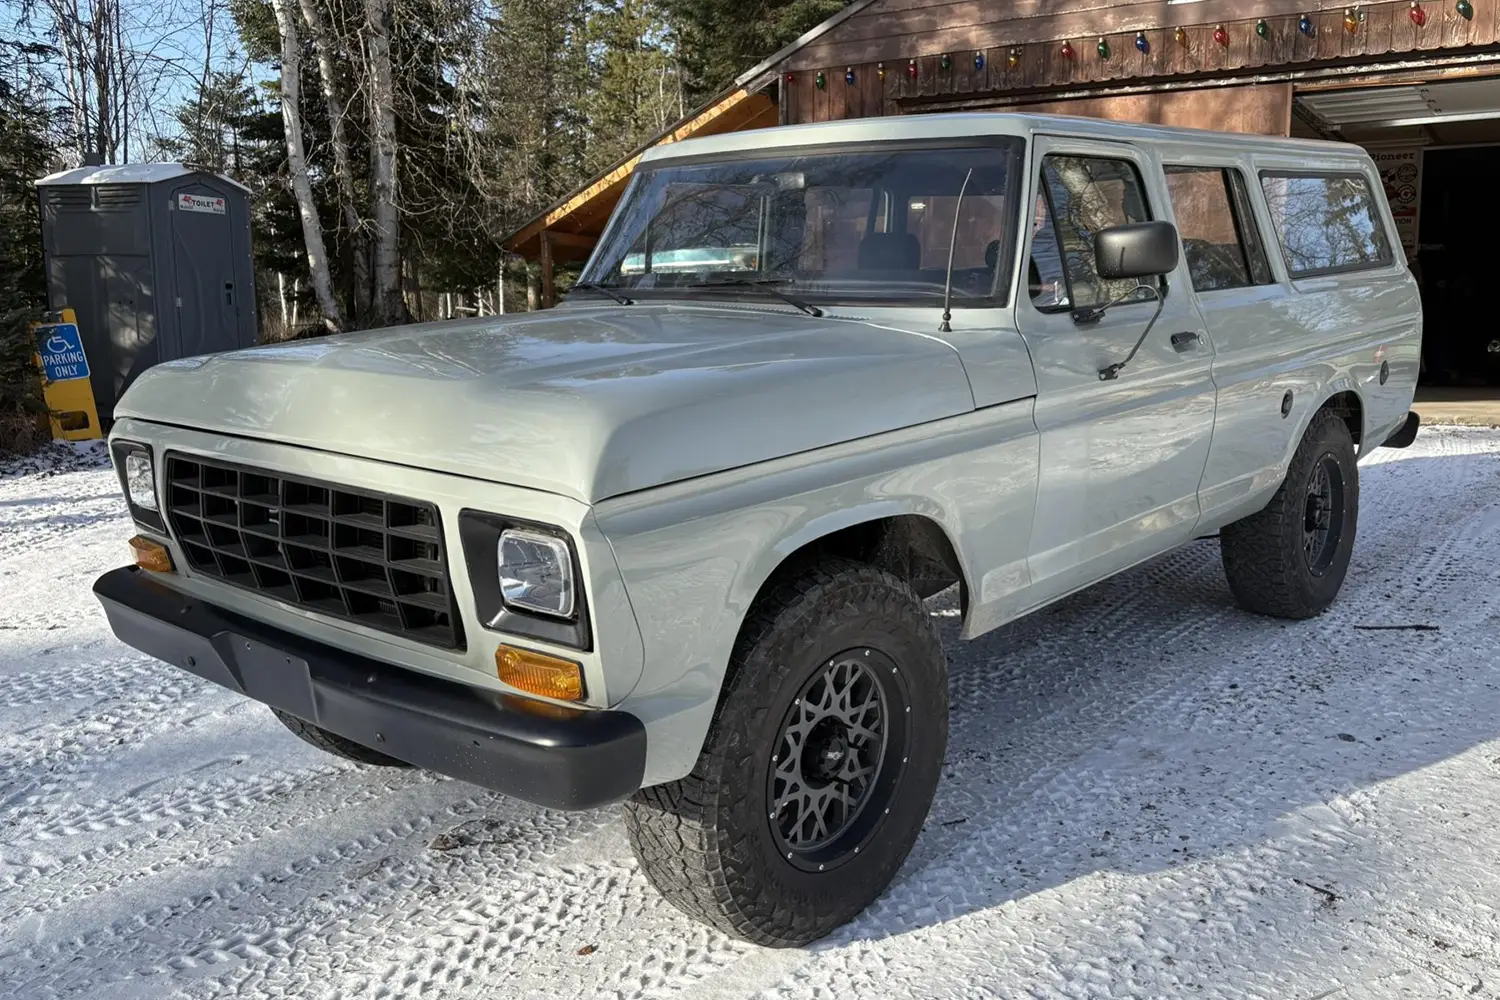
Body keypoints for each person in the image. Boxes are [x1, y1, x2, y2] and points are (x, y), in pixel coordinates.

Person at [1029, 192, 1068, 309]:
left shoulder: (1056, 239)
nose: (1040, 213)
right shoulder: (1016, 244)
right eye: (1036, 208)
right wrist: (1043, 287)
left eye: (1043, 208)